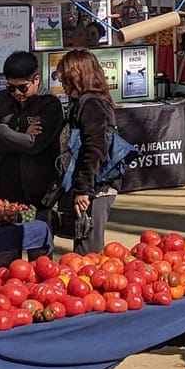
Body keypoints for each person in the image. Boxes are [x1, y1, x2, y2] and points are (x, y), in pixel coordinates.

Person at [53, 49, 118, 248]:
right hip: (88, 187)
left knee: (87, 251)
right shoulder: (82, 103)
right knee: (82, 244)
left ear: (77, 76)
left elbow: (94, 148)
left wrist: (83, 189)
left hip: (95, 190)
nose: (62, 83)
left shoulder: (91, 105)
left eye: (65, 78)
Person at [0, 51, 63, 206]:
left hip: (38, 191)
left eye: (23, 87)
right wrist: (21, 136)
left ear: (36, 80)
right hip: (4, 187)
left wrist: (0, 130)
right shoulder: (2, 98)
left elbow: (33, 145)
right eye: (11, 88)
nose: (17, 93)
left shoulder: (49, 104)